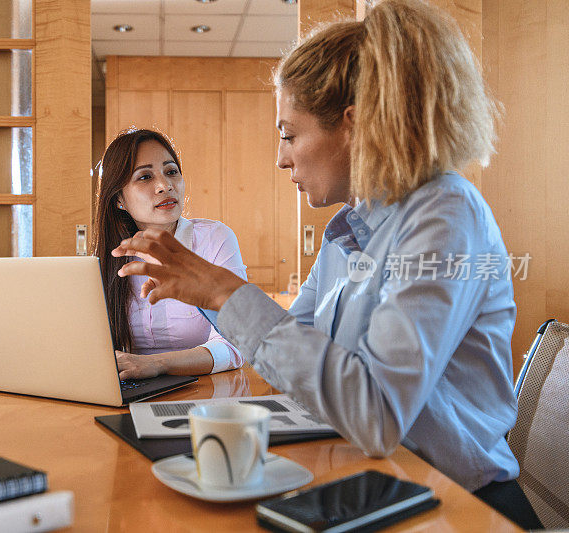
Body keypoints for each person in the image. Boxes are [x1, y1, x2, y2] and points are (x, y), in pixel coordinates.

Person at [111, 0, 541, 528]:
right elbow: (294, 352)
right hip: (377, 483)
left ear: (354, 126)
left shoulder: (444, 215)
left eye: (290, 134)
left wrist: (223, 292)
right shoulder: (350, 231)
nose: (281, 157)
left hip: (461, 505)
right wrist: (207, 295)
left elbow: (376, 414)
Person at [92, 128, 247, 380]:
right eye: (144, 177)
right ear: (119, 198)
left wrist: (156, 364)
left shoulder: (215, 238)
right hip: (128, 387)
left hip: (207, 392)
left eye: (171, 172)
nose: (165, 186)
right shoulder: (108, 257)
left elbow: (236, 344)